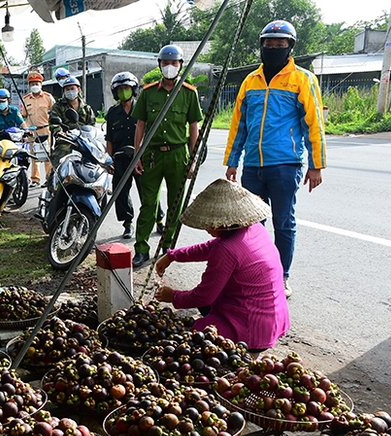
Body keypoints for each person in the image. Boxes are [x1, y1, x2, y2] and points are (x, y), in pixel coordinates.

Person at [224, 20, 326, 299]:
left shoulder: (302, 79)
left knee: (283, 222)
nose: (273, 48)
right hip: (253, 167)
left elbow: (313, 124)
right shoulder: (250, 81)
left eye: (280, 44)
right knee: (250, 225)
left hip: (285, 165)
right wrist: (232, 161)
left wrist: (316, 165)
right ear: (262, 46)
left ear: (290, 47)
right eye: (269, 44)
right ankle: (254, 271)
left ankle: (281, 276)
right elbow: (239, 125)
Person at [154, 178, 290, 354]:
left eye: (210, 224)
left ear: (223, 223)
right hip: (274, 319)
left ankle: (248, 352)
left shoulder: (226, 249)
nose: (206, 228)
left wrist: (172, 296)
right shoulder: (254, 228)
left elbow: (203, 296)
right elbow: (209, 247)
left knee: (189, 340)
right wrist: (173, 256)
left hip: (252, 328)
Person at [131, 44, 203, 269]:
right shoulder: (148, 92)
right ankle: (141, 249)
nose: (169, 67)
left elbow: (193, 128)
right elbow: (140, 125)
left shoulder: (189, 94)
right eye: (165, 63)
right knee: (148, 205)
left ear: (181, 65)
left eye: (174, 63)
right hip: (152, 154)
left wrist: (193, 159)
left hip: (178, 155)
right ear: (159, 65)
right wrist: (137, 154)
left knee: (175, 204)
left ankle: (167, 249)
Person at [105, 71, 142, 239]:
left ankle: (158, 220)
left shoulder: (142, 109)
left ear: (133, 89)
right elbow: (110, 139)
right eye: (120, 89)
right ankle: (128, 223)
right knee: (121, 193)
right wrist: (109, 160)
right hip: (120, 159)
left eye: (126, 88)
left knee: (148, 192)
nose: (123, 92)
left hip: (140, 159)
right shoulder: (112, 113)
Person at [49, 77, 96, 167]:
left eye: (72, 89)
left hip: (84, 141)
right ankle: (52, 179)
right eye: (67, 89)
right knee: (57, 164)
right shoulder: (58, 106)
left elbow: (92, 125)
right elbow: (53, 122)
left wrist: (91, 135)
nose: (70, 91)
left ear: (78, 89)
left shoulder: (86, 108)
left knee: (95, 163)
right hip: (65, 141)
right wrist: (59, 132)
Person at [21, 71, 56, 186]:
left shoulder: (48, 97)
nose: (34, 86)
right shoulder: (25, 99)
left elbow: (54, 113)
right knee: (34, 154)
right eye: (32, 84)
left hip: (45, 129)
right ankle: (35, 179)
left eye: (37, 83)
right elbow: (24, 115)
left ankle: (48, 178)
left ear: (41, 84)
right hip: (32, 130)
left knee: (47, 154)